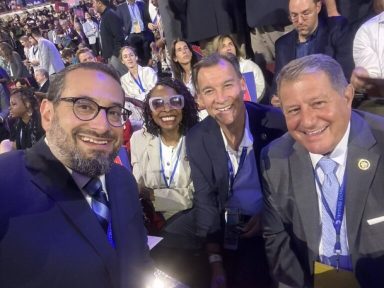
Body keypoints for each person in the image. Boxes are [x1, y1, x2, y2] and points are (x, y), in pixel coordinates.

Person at [0, 62, 153, 287]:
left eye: (114, 112)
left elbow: (139, 262)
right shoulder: (7, 180)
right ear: (47, 114)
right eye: (83, 106)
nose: (102, 126)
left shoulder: (122, 180)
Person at [261, 54, 384, 287]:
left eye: (318, 103)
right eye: (293, 110)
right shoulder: (275, 158)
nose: (307, 121)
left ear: (347, 96)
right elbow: (278, 242)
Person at [186, 53, 286, 287]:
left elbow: (299, 188)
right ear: (199, 98)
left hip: (276, 222)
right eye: (209, 91)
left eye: (227, 85)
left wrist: (270, 216)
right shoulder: (197, 138)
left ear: (242, 85)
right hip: (229, 226)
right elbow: (205, 200)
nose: (220, 98)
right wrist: (215, 262)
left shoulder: (276, 124)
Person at [273, 0, 350, 92]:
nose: (300, 21)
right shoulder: (282, 44)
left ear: (318, 7)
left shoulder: (336, 30)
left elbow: (344, 76)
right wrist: (276, 97)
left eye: (305, 13)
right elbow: (277, 85)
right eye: (294, 15)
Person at [213, 34, 266, 101]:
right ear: (217, 52)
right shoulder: (214, 72)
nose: (228, 48)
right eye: (223, 46)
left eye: (230, 44)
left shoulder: (249, 66)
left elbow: (260, 88)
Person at [120, 46, 157, 131]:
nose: (129, 58)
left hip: (153, 107)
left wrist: (135, 99)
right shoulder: (123, 80)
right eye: (125, 57)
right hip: (137, 114)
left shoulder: (148, 71)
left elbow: (154, 92)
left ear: (136, 57)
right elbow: (128, 100)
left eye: (131, 55)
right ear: (122, 61)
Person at [0, 87, 44, 153]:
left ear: (27, 104)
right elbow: (17, 146)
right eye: (10, 104)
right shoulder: (17, 124)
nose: (9, 108)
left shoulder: (40, 122)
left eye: (14, 104)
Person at [92, 0, 127, 76]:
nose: (93, 6)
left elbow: (119, 36)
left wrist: (115, 55)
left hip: (115, 57)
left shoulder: (110, 14)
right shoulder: (105, 15)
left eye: (94, 3)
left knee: (125, 80)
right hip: (110, 57)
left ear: (99, 3)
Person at [116, 0, 154, 65]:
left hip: (143, 33)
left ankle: (148, 71)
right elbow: (119, 25)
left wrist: (149, 24)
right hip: (131, 35)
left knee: (147, 57)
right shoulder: (121, 7)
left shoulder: (141, 3)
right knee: (136, 58)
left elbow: (147, 19)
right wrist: (126, 36)